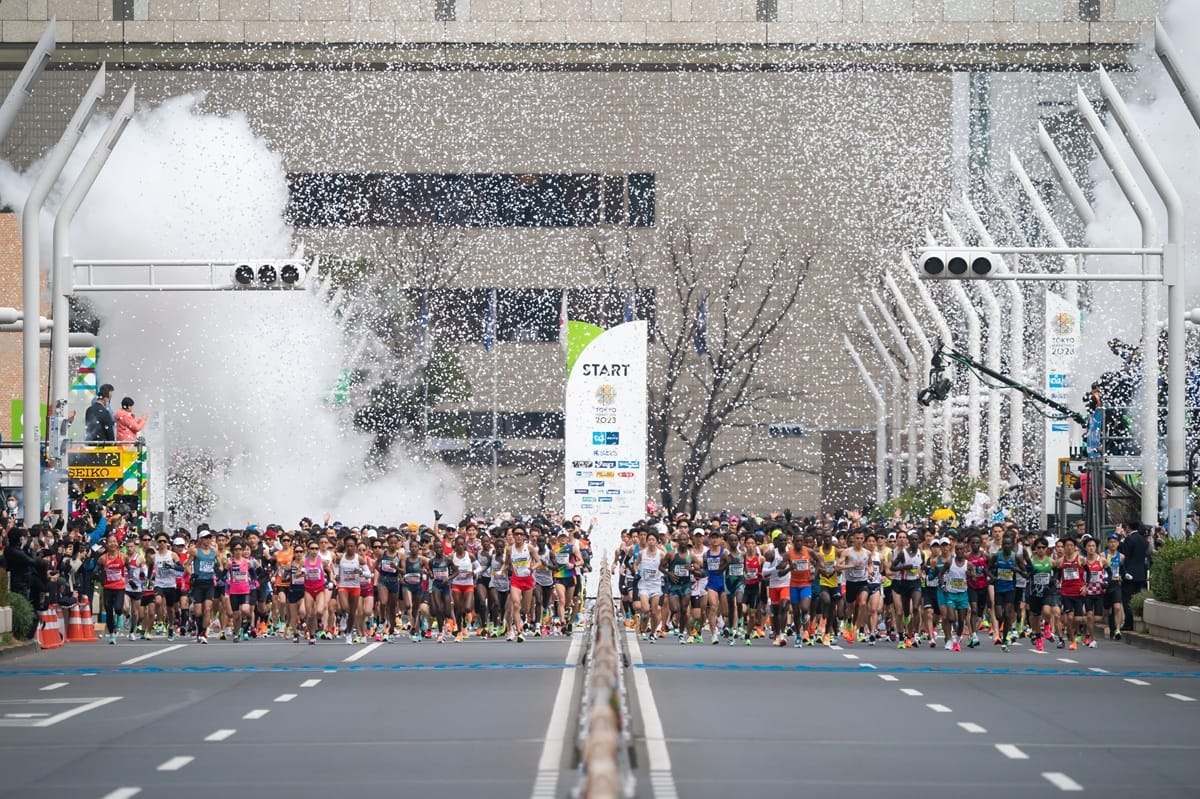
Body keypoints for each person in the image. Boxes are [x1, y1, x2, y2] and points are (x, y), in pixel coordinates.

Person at [1117, 522, 1150, 631]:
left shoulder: (1129, 540)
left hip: (1129, 573)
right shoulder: (1143, 540)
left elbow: (1124, 554)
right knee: (1137, 596)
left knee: (1127, 599)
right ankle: (1139, 621)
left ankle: (1128, 623)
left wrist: (1120, 539)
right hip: (1141, 573)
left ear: (1128, 527)